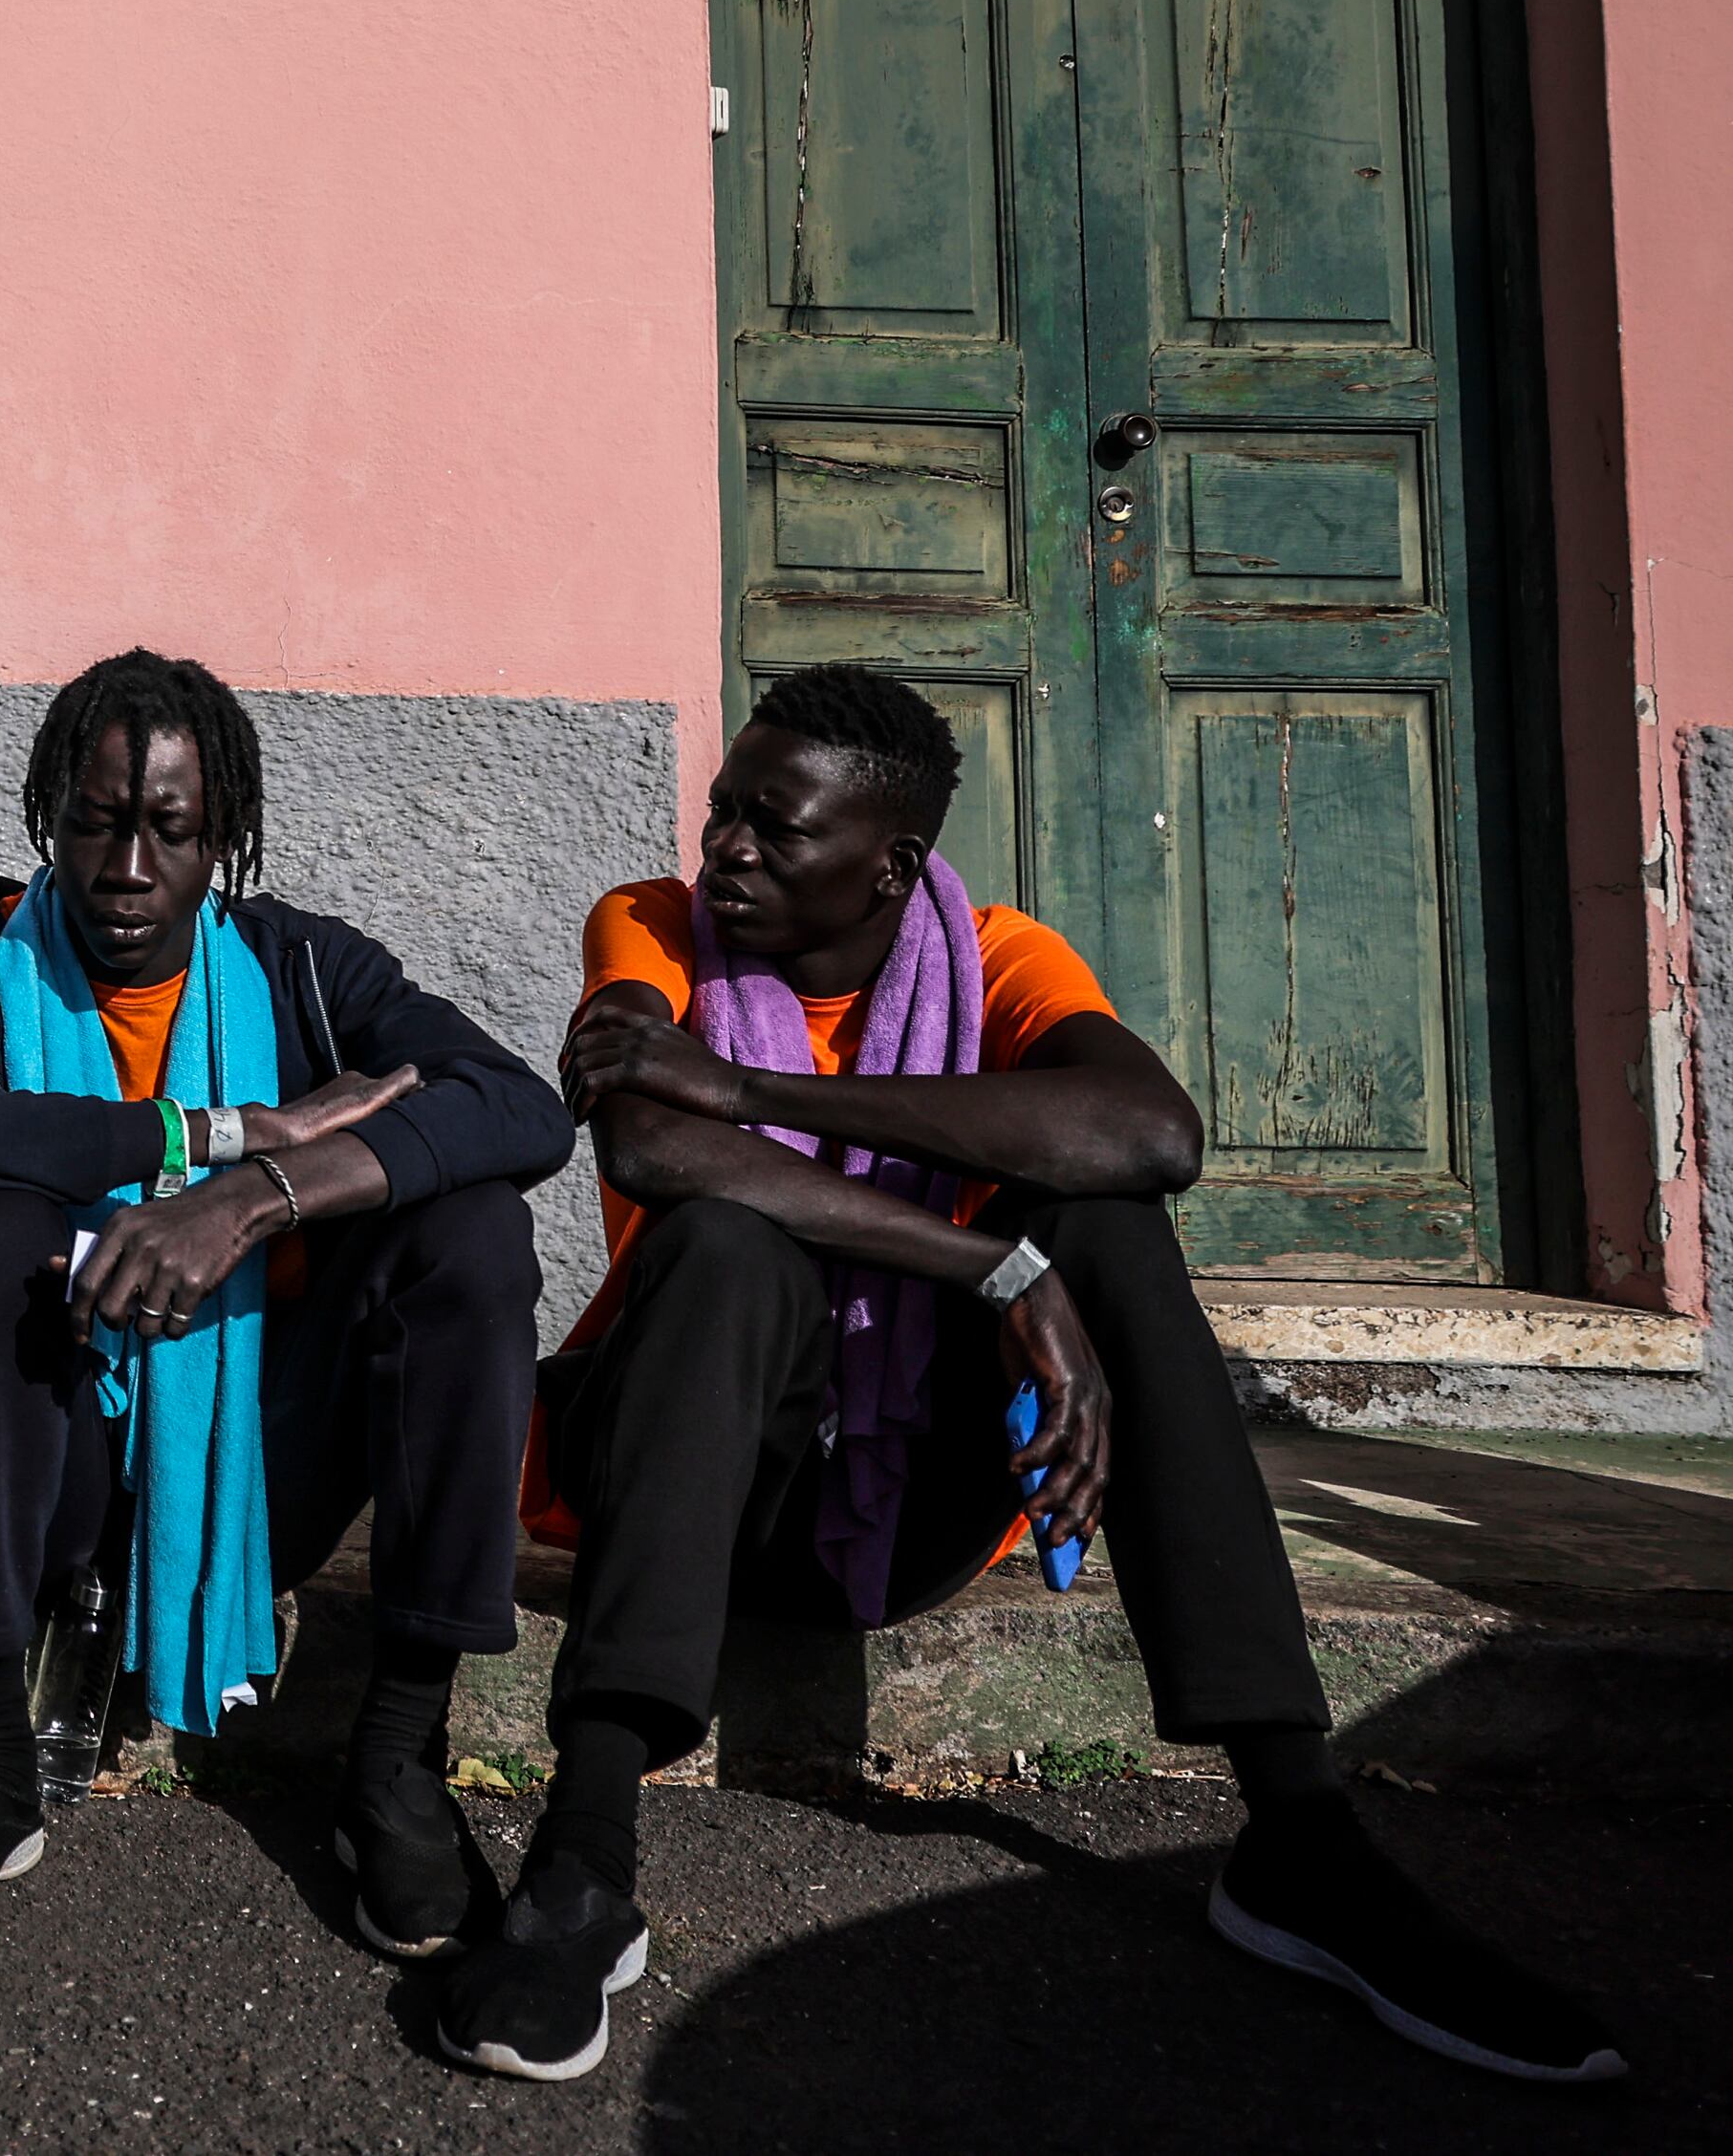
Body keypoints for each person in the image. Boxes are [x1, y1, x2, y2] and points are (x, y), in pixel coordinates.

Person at [442, 664, 1626, 2087]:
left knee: (1107, 1230)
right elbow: (648, 1143)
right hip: (689, 1480)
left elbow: (1150, 1133)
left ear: (891, 868)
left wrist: (758, 1090)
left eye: (775, 825)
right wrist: (987, 1268)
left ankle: (1303, 1842)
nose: (727, 848)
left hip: (910, 1500)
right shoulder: (652, 929)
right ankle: (583, 1858)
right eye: (722, 812)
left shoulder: (997, 954)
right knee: (725, 1246)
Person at [0, 646, 569, 1956]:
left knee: (473, 1234)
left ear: (222, 834)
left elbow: (517, 1105)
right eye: (95, 822)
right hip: (55, 1460)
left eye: (170, 828)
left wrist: (259, 1199)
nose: (127, 868)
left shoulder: (300, 970)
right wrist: (214, 1134)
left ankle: (399, 1760)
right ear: (46, 819)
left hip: (259, 1465)